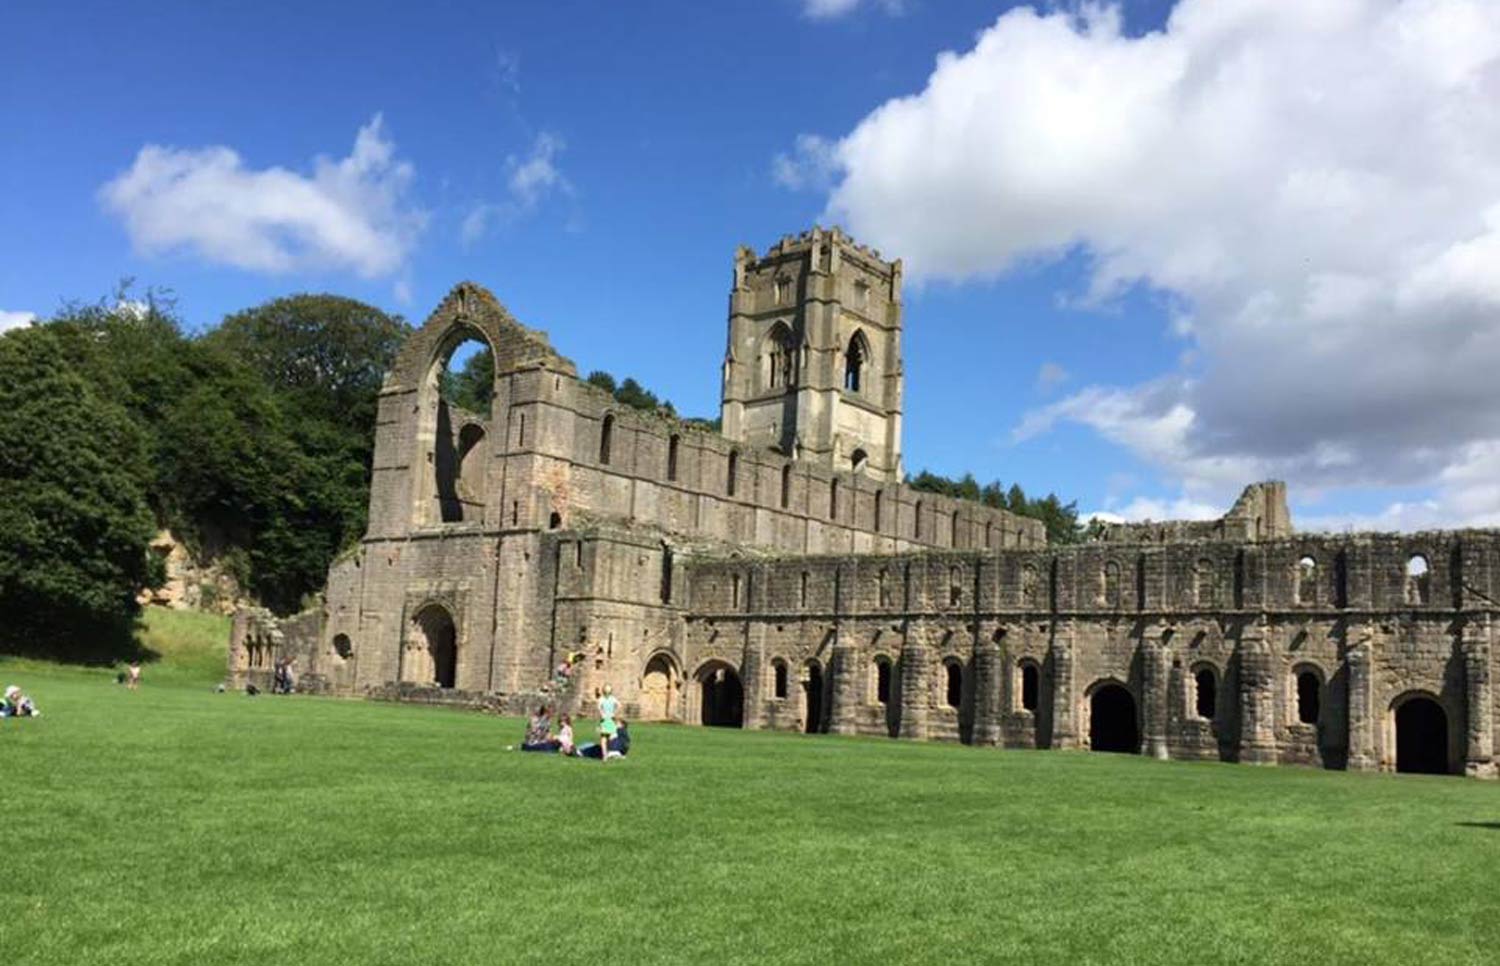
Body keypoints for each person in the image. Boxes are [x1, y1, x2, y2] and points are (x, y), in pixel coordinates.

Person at [596, 684, 620, 762]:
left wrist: (602, 714)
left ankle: (605, 755)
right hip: (611, 719)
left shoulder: (601, 699)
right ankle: (609, 753)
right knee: (610, 737)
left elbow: (599, 708)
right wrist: (614, 713)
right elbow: (619, 705)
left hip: (605, 720)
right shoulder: (613, 699)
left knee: (603, 739)